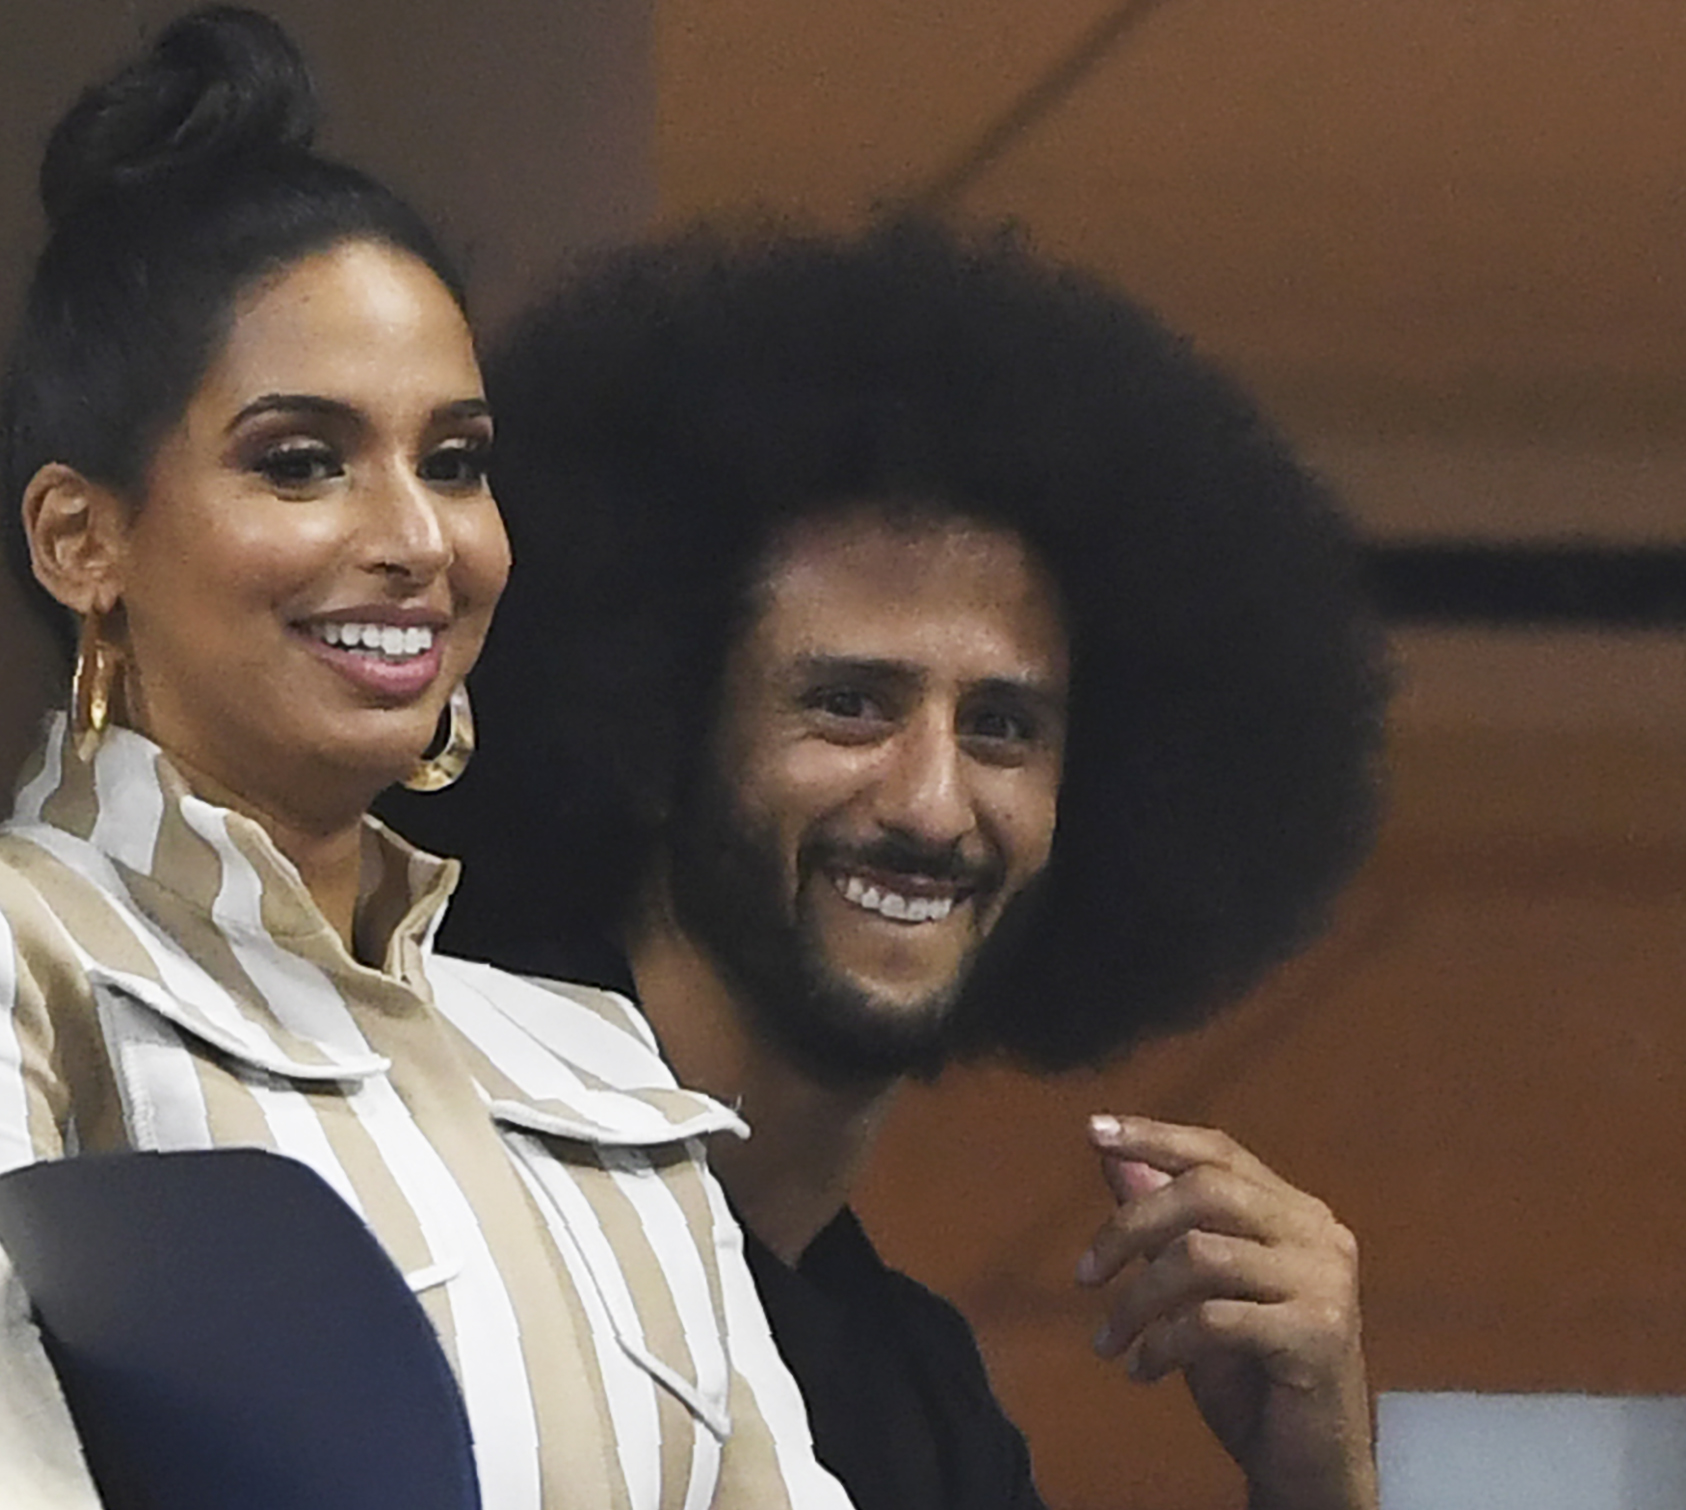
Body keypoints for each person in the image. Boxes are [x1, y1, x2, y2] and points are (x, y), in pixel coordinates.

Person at [0, 12, 854, 1508]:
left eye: (453, 461)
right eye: (300, 460)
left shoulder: (592, 1062)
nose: (415, 541)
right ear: (84, 538)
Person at [383, 221, 1391, 1510]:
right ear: (651, 724)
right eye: (851, 707)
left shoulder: (917, 1402)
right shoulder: (435, 1190)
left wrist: (1318, 1487)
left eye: (1002, 729)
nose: (931, 804)